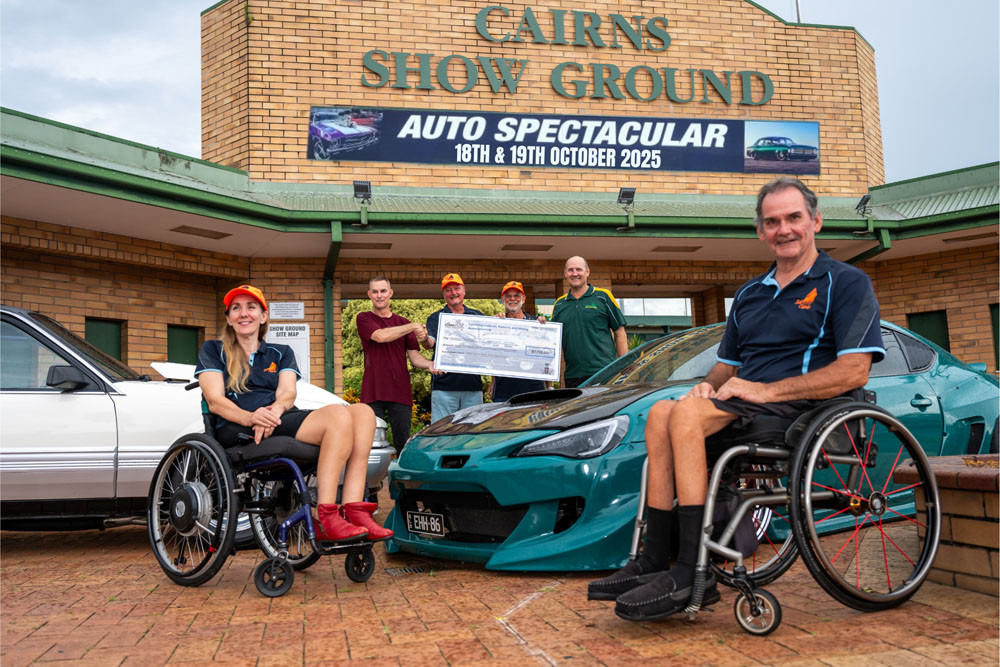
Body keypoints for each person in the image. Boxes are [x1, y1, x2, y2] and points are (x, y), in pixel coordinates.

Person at [588, 177, 885, 622]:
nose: (783, 229)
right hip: (749, 405)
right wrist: (708, 385)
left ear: (816, 221)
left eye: (793, 218)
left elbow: (854, 370)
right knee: (659, 413)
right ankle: (653, 560)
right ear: (761, 231)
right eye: (772, 222)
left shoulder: (845, 282)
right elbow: (726, 367)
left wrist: (765, 390)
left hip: (804, 409)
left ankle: (693, 571)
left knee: (684, 416)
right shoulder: (749, 294)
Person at [195, 284, 393, 543]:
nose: (244, 313)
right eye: (236, 308)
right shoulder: (213, 350)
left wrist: (274, 411)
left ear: (263, 316)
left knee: (363, 413)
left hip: (276, 419)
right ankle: (326, 515)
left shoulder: (281, 352)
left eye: (251, 307)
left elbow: (288, 394)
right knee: (338, 416)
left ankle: (354, 510)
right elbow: (215, 401)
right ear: (229, 318)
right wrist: (251, 417)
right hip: (238, 426)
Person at [357, 275, 438, 453]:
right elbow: (380, 336)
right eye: (375, 292)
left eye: (383, 291)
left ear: (390, 293)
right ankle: (371, 482)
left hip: (400, 391)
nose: (379, 295)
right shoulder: (363, 318)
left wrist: (429, 364)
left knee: (403, 444)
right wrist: (411, 327)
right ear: (369, 294)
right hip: (373, 391)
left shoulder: (403, 323)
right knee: (369, 445)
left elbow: (414, 357)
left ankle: (401, 480)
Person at [552, 256, 628, 388]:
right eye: (570, 270)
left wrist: (624, 367)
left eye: (579, 270)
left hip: (603, 373)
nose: (574, 273)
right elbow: (552, 341)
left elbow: (620, 332)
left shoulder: (603, 297)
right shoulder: (559, 304)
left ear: (587, 272)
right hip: (572, 376)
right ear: (565, 274)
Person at [424, 272, 484, 422]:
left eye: (456, 288)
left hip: (473, 387)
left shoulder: (477, 316)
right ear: (444, 294)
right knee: (441, 433)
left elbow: (487, 346)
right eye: (448, 290)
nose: (453, 293)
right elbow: (430, 343)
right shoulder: (436, 317)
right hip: (443, 387)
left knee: (471, 433)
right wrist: (424, 338)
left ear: (464, 291)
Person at [490, 280, 547, 402]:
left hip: (534, 391)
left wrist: (550, 385)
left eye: (516, 295)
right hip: (503, 392)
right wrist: (491, 326)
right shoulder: (498, 323)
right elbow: (492, 354)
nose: (512, 299)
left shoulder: (537, 323)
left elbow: (546, 357)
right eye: (508, 296)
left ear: (524, 299)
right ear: (503, 299)